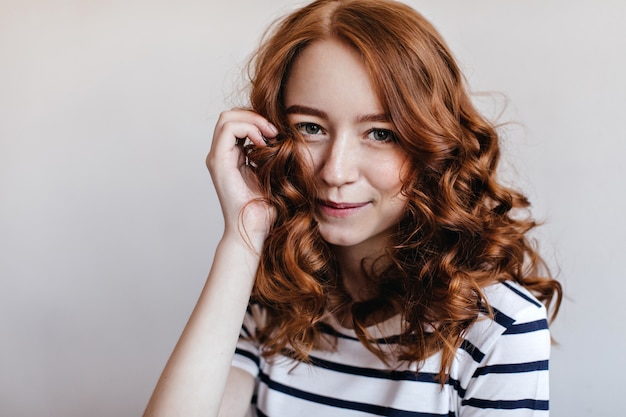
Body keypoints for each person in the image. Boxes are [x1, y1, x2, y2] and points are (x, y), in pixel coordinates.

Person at [143, 0, 562, 416]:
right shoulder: (273, 298)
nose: (335, 171)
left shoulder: (499, 327)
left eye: (380, 133)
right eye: (311, 128)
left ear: (432, 146)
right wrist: (242, 235)